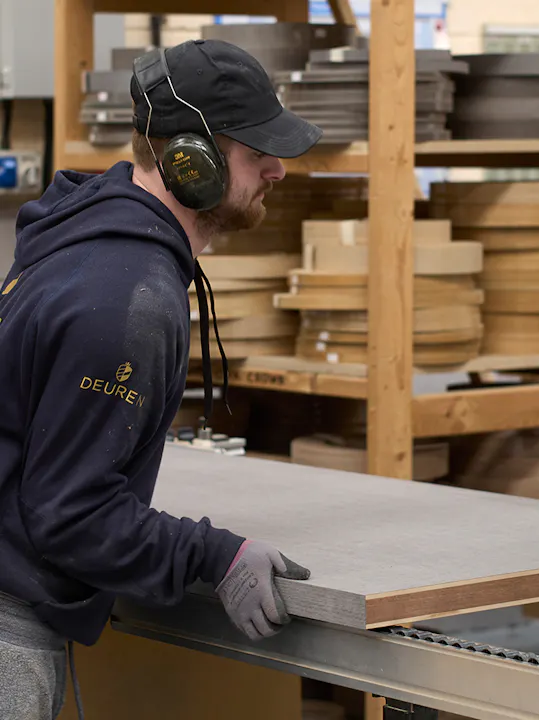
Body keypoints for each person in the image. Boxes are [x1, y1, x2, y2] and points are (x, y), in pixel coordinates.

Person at [0, 39, 322, 719]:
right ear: (190, 160)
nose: (276, 170)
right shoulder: (127, 296)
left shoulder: (88, 243)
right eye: (254, 151)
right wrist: (216, 556)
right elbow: (71, 515)